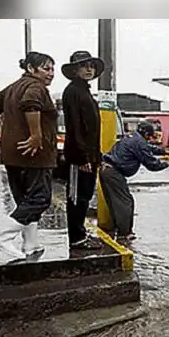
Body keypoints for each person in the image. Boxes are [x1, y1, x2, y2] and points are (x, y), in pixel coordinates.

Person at [0, 52, 58, 260]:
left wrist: (2, 129)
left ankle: (30, 245)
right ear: (31, 69)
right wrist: (35, 135)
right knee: (40, 199)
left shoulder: (14, 87)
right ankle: (2, 238)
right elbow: (31, 104)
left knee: (25, 200)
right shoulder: (36, 87)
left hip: (12, 152)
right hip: (33, 153)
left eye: (52, 69)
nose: (50, 73)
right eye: (45, 68)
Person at [60, 50, 105, 250]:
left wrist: (97, 155)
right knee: (77, 197)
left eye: (91, 66)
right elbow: (75, 127)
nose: (89, 70)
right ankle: (77, 238)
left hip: (90, 154)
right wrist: (83, 157)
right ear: (75, 70)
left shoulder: (84, 91)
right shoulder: (73, 92)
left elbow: (91, 129)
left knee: (85, 196)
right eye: (84, 66)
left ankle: (80, 235)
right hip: (80, 156)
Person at [99, 121, 169, 242]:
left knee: (115, 202)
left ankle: (119, 228)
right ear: (147, 134)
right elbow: (152, 164)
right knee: (125, 202)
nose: (150, 138)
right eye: (150, 136)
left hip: (106, 170)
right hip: (113, 172)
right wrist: (166, 163)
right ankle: (125, 233)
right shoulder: (139, 142)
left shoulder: (132, 138)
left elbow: (149, 148)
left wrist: (165, 151)